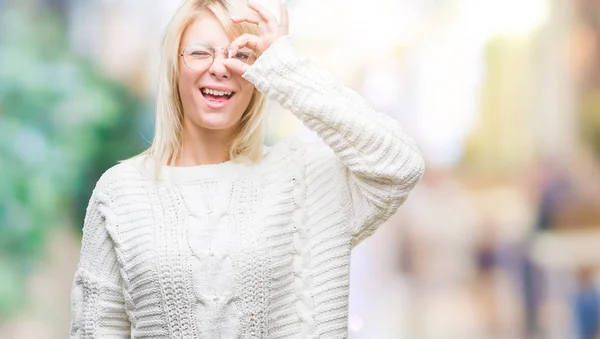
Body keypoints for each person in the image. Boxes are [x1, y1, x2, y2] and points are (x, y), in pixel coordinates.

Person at [69, 0, 425, 337]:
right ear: (173, 68)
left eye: (241, 56)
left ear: (259, 75)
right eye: (200, 53)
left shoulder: (304, 179)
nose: (221, 67)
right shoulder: (120, 191)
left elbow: (399, 163)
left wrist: (286, 68)